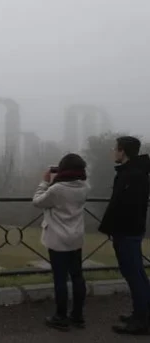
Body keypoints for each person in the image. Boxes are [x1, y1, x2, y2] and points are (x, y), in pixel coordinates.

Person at [32, 153, 90, 331]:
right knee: (77, 276)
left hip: (58, 238)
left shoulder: (56, 190)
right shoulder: (85, 187)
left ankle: (60, 316)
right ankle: (78, 315)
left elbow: (37, 201)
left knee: (60, 278)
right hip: (76, 237)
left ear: (63, 169)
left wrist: (44, 181)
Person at [98, 136, 150, 335]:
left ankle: (140, 320)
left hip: (127, 231)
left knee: (134, 274)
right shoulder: (133, 172)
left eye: (115, 149)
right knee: (136, 273)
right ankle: (142, 312)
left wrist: (113, 227)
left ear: (123, 152)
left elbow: (124, 206)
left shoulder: (133, 175)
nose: (113, 152)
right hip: (128, 230)